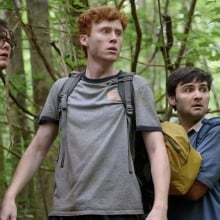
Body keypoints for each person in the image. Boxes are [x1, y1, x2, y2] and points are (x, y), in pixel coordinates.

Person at [0, 6, 170, 220]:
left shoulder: (135, 86)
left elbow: (156, 148)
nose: (114, 39)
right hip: (68, 210)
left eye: (118, 33)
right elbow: (37, 148)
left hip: (122, 210)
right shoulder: (63, 89)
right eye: (105, 31)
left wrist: (160, 207)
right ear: (84, 39)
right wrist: (10, 196)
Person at [166, 66, 220, 220]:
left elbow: (194, 190)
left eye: (203, 89)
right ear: (171, 99)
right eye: (188, 90)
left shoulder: (215, 131)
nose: (198, 96)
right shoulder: (166, 136)